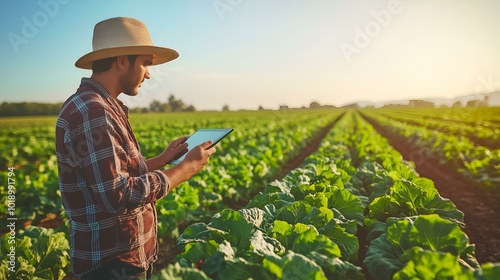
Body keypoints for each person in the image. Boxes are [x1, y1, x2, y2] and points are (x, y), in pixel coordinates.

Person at [55, 17, 215, 279]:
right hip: (112, 264)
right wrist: (185, 169)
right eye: (145, 63)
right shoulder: (94, 112)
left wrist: (164, 158)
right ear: (121, 61)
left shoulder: (101, 106)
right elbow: (118, 196)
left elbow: (115, 174)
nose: (149, 73)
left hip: (123, 258)